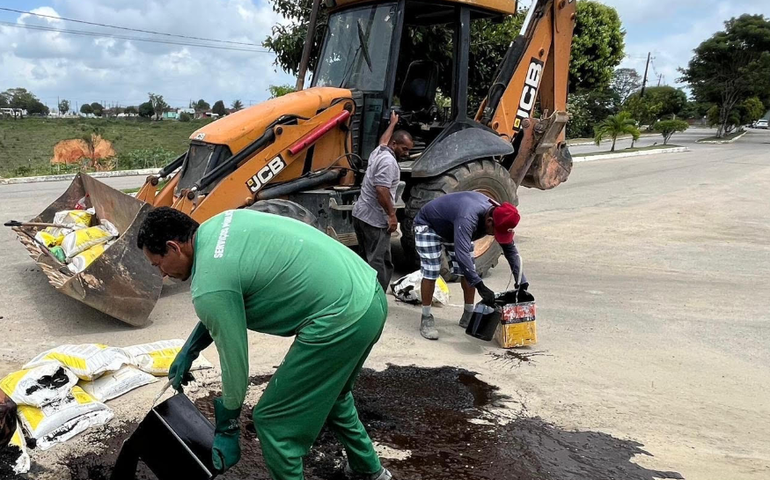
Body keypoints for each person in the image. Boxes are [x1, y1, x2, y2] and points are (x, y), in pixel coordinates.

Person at [137, 207, 392, 480]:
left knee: (274, 421)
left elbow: (235, 365)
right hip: (370, 297)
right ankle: (369, 469)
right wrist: (192, 348)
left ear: (173, 248)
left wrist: (228, 427)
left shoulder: (210, 284)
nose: (162, 274)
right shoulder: (219, 223)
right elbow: (227, 302)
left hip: (340, 320)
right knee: (332, 394)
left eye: (157, 264)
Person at [413, 191, 527, 340]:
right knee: (432, 270)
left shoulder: (502, 216)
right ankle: (426, 317)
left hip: (454, 227)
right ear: (489, 221)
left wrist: (522, 282)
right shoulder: (468, 217)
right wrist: (480, 286)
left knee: (469, 270)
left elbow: (510, 251)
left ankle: (468, 315)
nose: (494, 236)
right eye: (495, 232)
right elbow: (462, 255)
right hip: (430, 226)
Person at [352, 111, 414, 291]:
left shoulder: (379, 152)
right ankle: (376, 300)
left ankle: (361, 293)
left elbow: (383, 140)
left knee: (364, 260)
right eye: (404, 149)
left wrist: (393, 123)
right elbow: (381, 190)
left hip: (361, 215)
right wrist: (392, 216)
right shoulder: (388, 162)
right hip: (374, 221)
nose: (407, 153)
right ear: (394, 144)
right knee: (380, 263)